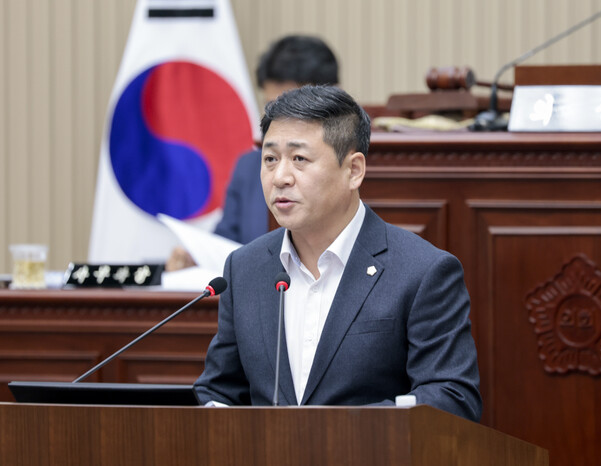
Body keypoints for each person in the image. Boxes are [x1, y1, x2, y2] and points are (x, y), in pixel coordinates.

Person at [194, 85, 482, 421]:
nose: (280, 177)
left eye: (299, 159)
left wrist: (334, 433)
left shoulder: (422, 272)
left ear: (354, 170)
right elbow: (220, 391)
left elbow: (452, 398)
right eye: (270, 159)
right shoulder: (244, 268)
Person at [166, 35, 339, 271]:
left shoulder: (359, 162)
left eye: (293, 109)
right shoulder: (249, 167)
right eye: (272, 107)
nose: (280, 120)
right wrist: (196, 259)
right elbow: (224, 244)